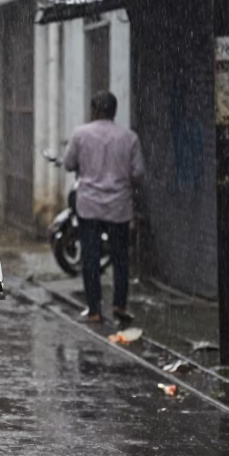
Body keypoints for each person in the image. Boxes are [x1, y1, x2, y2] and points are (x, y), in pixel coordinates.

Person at [63, 90, 145, 325]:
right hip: (119, 206)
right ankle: (119, 303)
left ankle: (94, 309)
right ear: (114, 111)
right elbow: (139, 173)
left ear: (94, 110)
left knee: (90, 256)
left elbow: (69, 164)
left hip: (89, 205)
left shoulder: (81, 134)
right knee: (121, 257)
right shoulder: (129, 137)